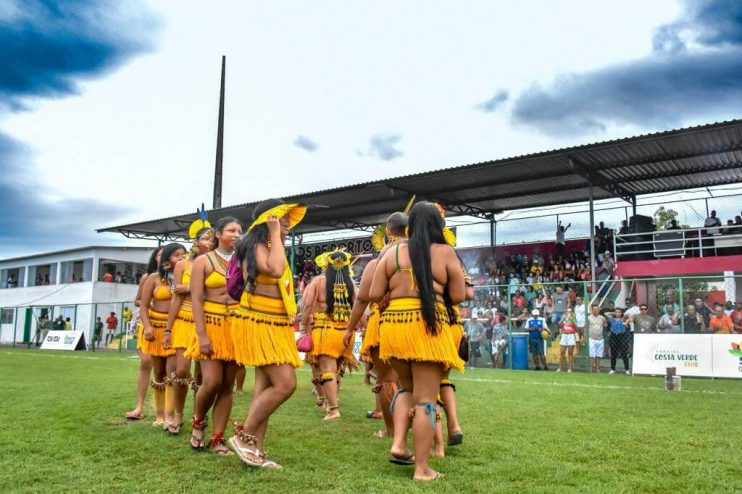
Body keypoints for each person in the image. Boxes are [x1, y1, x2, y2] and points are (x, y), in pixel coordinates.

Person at [369, 201, 466, 482]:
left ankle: (399, 444)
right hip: (428, 325)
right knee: (426, 399)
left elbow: (375, 292)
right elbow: (458, 296)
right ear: (438, 225)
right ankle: (422, 469)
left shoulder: (393, 252)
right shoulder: (445, 252)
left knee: (406, 388)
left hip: (394, 327)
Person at [228, 201, 306, 469]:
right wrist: (274, 231)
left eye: (286, 220)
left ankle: (256, 450)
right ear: (269, 219)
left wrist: (277, 236)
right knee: (286, 385)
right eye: (282, 219)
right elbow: (272, 270)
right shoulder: (256, 243)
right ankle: (243, 437)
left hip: (276, 323)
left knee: (264, 388)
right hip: (259, 321)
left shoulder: (274, 244)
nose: (287, 224)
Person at [184, 217, 242, 455]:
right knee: (212, 381)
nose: (237, 234)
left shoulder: (244, 260)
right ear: (218, 234)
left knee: (228, 385)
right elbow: (196, 299)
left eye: (240, 231)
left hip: (236, 327)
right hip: (210, 325)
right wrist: (202, 335)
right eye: (231, 230)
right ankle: (198, 422)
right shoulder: (203, 261)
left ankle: (217, 439)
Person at [163, 222, 214, 436]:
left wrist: (189, 288)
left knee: (202, 376)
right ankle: (177, 414)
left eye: (212, 239)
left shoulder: (218, 264)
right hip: (184, 319)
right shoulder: (183, 264)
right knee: (182, 370)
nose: (209, 242)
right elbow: (175, 296)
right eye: (205, 238)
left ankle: (197, 417)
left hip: (207, 318)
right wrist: (168, 329)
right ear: (195, 242)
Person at [302, 250, 357, 421]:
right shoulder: (350, 283)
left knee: (327, 371)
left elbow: (307, 306)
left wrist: (305, 325)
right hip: (346, 332)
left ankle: (332, 409)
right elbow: (360, 305)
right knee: (337, 371)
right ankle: (331, 400)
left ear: (326, 264)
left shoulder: (318, 281)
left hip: (325, 332)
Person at [139, 243, 184, 429]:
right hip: (155, 328)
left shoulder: (184, 278)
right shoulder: (153, 278)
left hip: (175, 327)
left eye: (183, 255)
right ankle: (159, 414)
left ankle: (169, 415)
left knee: (172, 372)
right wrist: (147, 326)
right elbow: (143, 305)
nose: (181, 258)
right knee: (158, 372)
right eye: (176, 255)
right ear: (166, 259)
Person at [125, 246, 163, 421]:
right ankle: (139, 406)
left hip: (167, 327)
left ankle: (161, 411)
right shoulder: (147, 277)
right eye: (160, 255)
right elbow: (138, 300)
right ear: (155, 258)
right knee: (146, 363)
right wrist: (149, 302)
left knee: (162, 370)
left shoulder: (177, 277)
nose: (163, 258)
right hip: (148, 325)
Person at [607, 308, 630, 375]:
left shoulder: (624, 319)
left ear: (621, 313)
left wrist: (626, 322)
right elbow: (606, 314)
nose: (617, 313)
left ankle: (627, 369)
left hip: (622, 336)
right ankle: (612, 369)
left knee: (624, 353)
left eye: (619, 312)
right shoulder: (612, 319)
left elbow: (630, 317)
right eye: (616, 312)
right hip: (613, 336)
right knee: (613, 354)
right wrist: (612, 313)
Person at [587, 304, 607, 372]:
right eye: (594, 309)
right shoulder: (588, 318)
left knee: (598, 355)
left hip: (600, 339)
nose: (595, 310)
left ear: (599, 310)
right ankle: (590, 368)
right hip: (591, 338)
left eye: (597, 309)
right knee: (592, 355)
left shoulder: (602, 318)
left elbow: (605, 326)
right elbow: (585, 328)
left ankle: (598, 369)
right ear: (592, 310)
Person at [557, 308, 578, 373]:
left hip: (571, 335)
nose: (568, 313)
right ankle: (560, 368)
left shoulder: (574, 319)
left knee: (570, 353)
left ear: (572, 312)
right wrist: (563, 319)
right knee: (562, 353)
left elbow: (576, 328)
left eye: (570, 311)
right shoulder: (563, 318)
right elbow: (559, 326)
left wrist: (571, 319)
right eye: (567, 311)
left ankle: (570, 368)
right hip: (564, 335)